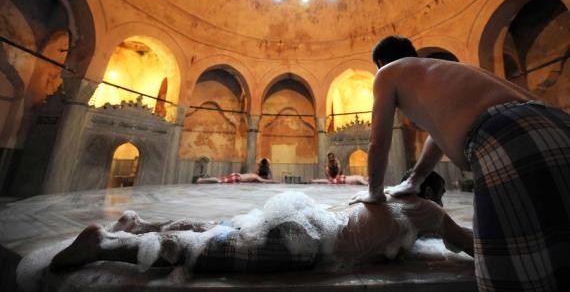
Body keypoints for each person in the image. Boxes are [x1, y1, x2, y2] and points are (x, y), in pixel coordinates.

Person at [350, 35, 570, 291]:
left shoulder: (388, 73)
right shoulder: (452, 70)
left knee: (511, 269)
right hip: (557, 122)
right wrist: (415, 180)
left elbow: (378, 140)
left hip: (508, 137)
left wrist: (374, 192)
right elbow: (438, 134)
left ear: (381, 62)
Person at [49, 191, 473, 275]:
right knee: (200, 255)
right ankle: (102, 244)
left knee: (216, 232)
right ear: (434, 194)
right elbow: (465, 242)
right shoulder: (428, 210)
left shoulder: (382, 197)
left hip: (298, 221)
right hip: (303, 243)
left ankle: (135, 227)